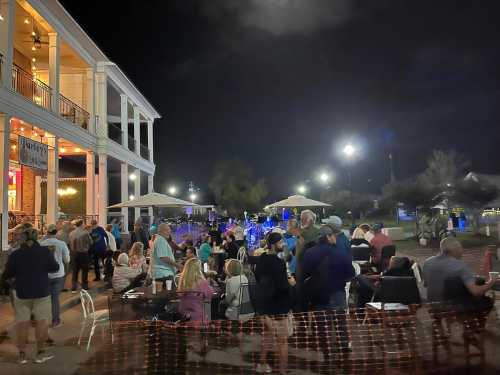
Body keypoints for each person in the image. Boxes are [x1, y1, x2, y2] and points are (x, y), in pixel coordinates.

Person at [3, 227, 59, 364]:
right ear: (36, 237)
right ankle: (39, 354)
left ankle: (22, 355)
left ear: (23, 238)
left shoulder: (16, 254)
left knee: (22, 323)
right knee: (42, 322)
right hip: (42, 292)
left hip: (21, 292)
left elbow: (7, 273)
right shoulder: (45, 251)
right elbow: (55, 267)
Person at [302, 224, 354, 355]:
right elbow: (351, 273)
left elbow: (303, 274)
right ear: (328, 237)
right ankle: (344, 352)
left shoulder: (310, 253)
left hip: (317, 296)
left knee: (322, 327)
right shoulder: (340, 253)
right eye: (333, 236)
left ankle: (326, 355)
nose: (335, 238)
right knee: (340, 324)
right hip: (337, 293)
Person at [254, 232, 295, 375]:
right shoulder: (278, 263)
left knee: (268, 336)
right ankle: (283, 370)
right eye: (280, 243)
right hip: (279, 307)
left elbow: (259, 279)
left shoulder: (261, 260)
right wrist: (291, 284)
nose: (283, 245)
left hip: (265, 305)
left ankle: (262, 364)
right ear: (273, 244)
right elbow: (283, 286)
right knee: (282, 340)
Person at [423, 238, 496, 308]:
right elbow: (476, 292)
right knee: (489, 298)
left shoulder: (428, 262)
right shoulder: (460, 265)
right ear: (454, 251)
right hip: (454, 307)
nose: (462, 251)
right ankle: (478, 319)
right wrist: (491, 282)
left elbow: (426, 284)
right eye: (460, 248)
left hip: (432, 304)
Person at [40, 224, 70, 328]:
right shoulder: (61, 244)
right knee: (55, 299)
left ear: (47, 232)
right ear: (56, 232)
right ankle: (55, 321)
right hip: (58, 274)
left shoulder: (41, 244)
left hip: (44, 275)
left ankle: (41, 321)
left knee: (43, 299)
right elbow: (67, 260)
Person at [177, 258, 214, 322]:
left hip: (184, 314)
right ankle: (207, 325)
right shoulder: (201, 282)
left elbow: (179, 294)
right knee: (207, 306)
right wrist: (209, 282)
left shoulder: (183, 280)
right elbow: (209, 294)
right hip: (198, 314)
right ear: (198, 269)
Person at [69, 220, 92, 292]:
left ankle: (73, 287)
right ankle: (84, 286)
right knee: (85, 270)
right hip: (83, 253)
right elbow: (91, 242)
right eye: (84, 223)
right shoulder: (85, 233)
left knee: (75, 270)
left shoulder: (71, 233)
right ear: (81, 224)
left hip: (73, 253)